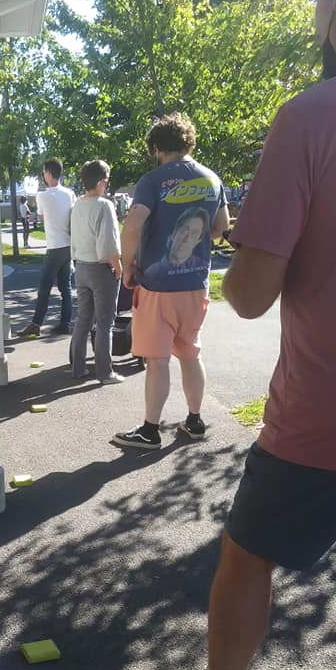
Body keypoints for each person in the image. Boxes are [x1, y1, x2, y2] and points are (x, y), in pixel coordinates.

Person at [148, 0, 336, 670]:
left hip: (331, 410)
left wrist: (242, 241)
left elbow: (250, 295)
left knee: (248, 557)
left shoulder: (314, 116)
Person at [113, 113, 229, 450]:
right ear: (188, 143)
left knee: (158, 359)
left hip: (158, 287)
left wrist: (128, 264)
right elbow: (220, 226)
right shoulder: (212, 179)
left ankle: (150, 430)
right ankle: (194, 420)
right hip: (196, 285)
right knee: (191, 352)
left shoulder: (153, 180)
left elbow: (133, 225)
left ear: (156, 147)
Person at [69, 159, 124, 384]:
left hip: (80, 266)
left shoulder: (77, 205)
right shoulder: (104, 205)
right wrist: (118, 267)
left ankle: (78, 367)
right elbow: (108, 243)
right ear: (102, 181)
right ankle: (105, 372)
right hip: (101, 269)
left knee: (83, 319)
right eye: (107, 180)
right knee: (104, 323)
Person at [19, 158, 76, 337]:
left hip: (54, 246)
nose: (43, 175)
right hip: (68, 245)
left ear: (49, 173)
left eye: (44, 172)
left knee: (44, 286)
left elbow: (42, 218)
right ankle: (65, 323)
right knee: (65, 287)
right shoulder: (70, 193)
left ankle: (36, 324)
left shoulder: (42, 196)